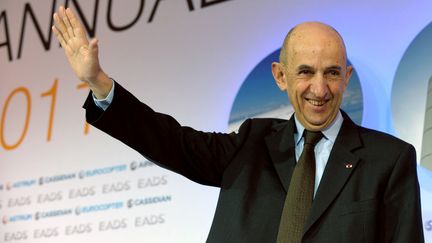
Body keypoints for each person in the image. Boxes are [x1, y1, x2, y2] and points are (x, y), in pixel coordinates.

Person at [52, 6, 424, 243]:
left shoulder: (389, 160)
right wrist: (100, 81)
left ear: (347, 77)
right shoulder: (251, 142)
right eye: (305, 72)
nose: (320, 89)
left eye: (332, 73)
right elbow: (172, 142)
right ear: (280, 76)